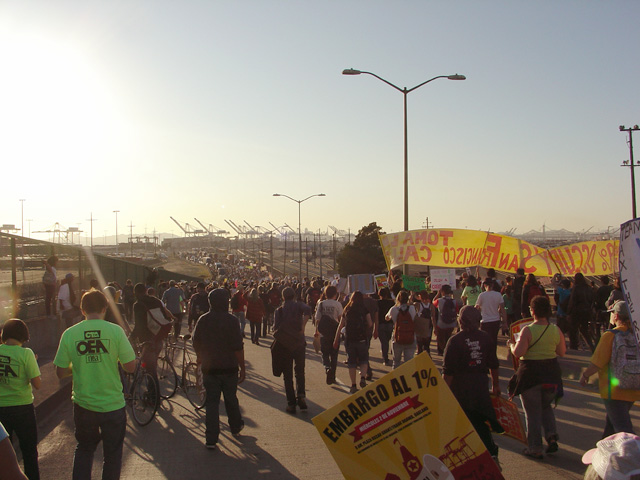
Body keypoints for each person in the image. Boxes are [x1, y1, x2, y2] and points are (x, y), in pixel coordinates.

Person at [53, 290, 136, 480]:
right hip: (113, 404)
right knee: (113, 456)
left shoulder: (70, 333)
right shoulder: (115, 331)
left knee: (84, 449)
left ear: (82, 310)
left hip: (83, 404)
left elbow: (60, 372)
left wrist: (79, 365)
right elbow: (130, 367)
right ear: (105, 308)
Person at [443, 306, 504, 466]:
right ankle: (490, 453)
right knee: (480, 421)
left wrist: (444, 393)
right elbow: (493, 364)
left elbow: (448, 372)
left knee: (463, 424)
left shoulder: (455, 341)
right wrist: (496, 385)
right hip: (480, 386)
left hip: (460, 389)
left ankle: (474, 459)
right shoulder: (486, 338)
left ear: (460, 321)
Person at [508, 295, 566, 460]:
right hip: (552, 375)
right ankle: (552, 436)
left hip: (530, 375)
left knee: (532, 413)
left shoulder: (527, 330)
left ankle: (535, 447)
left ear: (532, 311)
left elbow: (519, 353)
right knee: (546, 406)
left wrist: (512, 345)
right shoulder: (555, 329)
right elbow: (561, 352)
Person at [192, 288, 245, 449]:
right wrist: (242, 367)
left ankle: (211, 438)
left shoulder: (203, 320)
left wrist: (200, 356)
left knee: (212, 402)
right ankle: (235, 426)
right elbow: (238, 347)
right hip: (229, 367)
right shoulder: (232, 320)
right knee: (231, 398)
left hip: (210, 368)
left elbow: (196, 342)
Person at [580, 301, 640, 437]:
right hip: (633, 386)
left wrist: (585, 375)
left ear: (617, 316)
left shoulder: (610, 336)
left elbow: (598, 362)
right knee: (612, 426)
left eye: (612, 314)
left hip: (613, 390)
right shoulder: (636, 335)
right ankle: (603, 451)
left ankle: (632, 455)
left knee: (624, 431)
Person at [0, 320, 41, 480]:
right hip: (23, 408)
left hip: (1, 411)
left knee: (4, 457)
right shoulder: (26, 354)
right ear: (24, 336)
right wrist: (34, 364)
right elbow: (37, 384)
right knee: (29, 452)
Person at [273, 287, 311, 413]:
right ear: (294, 296)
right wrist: (302, 326)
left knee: (287, 375)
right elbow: (308, 310)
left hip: (285, 346)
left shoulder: (279, 310)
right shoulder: (299, 305)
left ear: (283, 297)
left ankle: (291, 403)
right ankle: (301, 395)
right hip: (299, 343)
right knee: (300, 371)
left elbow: (275, 328)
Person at [333, 291, 372, 393]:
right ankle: (363, 378)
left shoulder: (347, 309)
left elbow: (340, 325)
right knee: (364, 360)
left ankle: (353, 384)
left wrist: (336, 339)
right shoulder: (364, 309)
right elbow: (370, 323)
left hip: (350, 339)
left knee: (352, 362)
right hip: (362, 338)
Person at [131, 283, 173, 377]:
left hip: (147, 339)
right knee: (152, 365)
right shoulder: (156, 301)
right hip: (159, 336)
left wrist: (132, 338)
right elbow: (165, 316)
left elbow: (139, 325)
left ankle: (153, 391)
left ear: (135, 293)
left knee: (149, 368)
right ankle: (152, 387)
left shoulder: (138, 305)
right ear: (146, 291)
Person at [315, 285, 343, 385]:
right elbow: (340, 319)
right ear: (335, 294)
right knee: (334, 356)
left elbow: (317, 319)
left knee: (325, 353)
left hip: (324, 333)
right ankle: (333, 377)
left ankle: (327, 368)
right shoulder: (338, 304)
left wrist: (316, 331)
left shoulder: (321, 304)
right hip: (335, 333)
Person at [385, 290, 417, 367]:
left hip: (397, 336)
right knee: (409, 361)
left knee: (396, 361)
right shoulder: (412, 308)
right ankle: (408, 377)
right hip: (410, 337)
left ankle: (396, 377)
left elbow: (386, 318)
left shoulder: (393, 309)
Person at [475, 278, 507, 352]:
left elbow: (476, 307)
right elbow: (502, 308)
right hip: (495, 320)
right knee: (494, 340)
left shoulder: (482, 295)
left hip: (484, 321)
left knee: (484, 341)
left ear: (485, 285)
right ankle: (493, 357)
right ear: (493, 285)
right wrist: (505, 321)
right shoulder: (498, 295)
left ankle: (486, 357)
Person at [568, 272, 595, 352]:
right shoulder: (588, 288)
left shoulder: (576, 288)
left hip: (576, 311)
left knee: (573, 329)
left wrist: (569, 312)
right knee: (584, 329)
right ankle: (591, 346)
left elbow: (572, 301)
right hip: (586, 311)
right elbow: (592, 300)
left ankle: (574, 347)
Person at [433, 285, 457, 356]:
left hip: (441, 323)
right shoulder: (454, 301)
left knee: (440, 339)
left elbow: (433, 302)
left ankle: (441, 352)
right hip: (451, 323)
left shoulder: (439, 301)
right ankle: (448, 351)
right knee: (449, 339)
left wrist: (437, 294)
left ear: (442, 292)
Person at [377, 287, 396, 367]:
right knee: (389, 340)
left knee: (384, 342)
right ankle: (393, 354)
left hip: (381, 324)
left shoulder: (377, 303)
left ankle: (385, 358)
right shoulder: (391, 302)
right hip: (390, 324)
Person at [415, 290, 433, 356]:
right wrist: (435, 328)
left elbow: (409, 304)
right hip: (428, 326)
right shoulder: (431, 306)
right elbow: (433, 318)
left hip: (420, 325)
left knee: (419, 345)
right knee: (427, 345)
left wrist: (411, 295)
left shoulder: (417, 305)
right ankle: (427, 358)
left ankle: (420, 360)